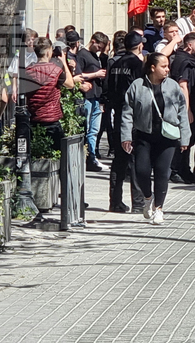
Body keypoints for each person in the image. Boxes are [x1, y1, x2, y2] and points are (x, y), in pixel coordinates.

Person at [121, 53, 191, 226]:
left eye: (168, 66)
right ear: (153, 67)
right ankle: (147, 198)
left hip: (167, 137)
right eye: (164, 66)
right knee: (142, 171)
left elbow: (182, 111)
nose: (167, 69)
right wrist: (126, 136)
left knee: (162, 172)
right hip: (144, 136)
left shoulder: (173, 86)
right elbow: (127, 112)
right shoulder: (138, 86)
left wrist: (185, 137)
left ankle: (158, 208)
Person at [105, 32, 148, 212]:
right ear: (139, 46)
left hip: (118, 112)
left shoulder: (115, 63)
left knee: (119, 160)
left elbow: (108, 88)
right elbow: (141, 90)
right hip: (133, 116)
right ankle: (138, 203)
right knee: (136, 159)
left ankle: (115, 201)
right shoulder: (137, 64)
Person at [25, 38, 75, 152]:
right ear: (48, 51)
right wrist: (64, 63)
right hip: (52, 120)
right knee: (59, 154)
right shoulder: (56, 71)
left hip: (33, 119)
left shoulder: (27, 71)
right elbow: (70, 84)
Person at [168, 32, 195, 183]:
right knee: (183, 137)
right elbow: (183, 86)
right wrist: (187, 110)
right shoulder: (183, 61)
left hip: (191, 102)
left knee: (188, 139)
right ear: (189, 45)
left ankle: (184, 169)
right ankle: (176, 170)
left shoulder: (191, 60)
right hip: (184, 105)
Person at [71, 30, 108, 172]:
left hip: (96, 97)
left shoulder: (95, 56)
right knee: (87, 128)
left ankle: (92, 156)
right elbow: (78, 76)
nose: (99, 50)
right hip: (87, 97)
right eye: (98, 47)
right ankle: (87, 157)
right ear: (93, 41)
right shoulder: (82, 55)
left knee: (94, 130)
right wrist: (96, 74)